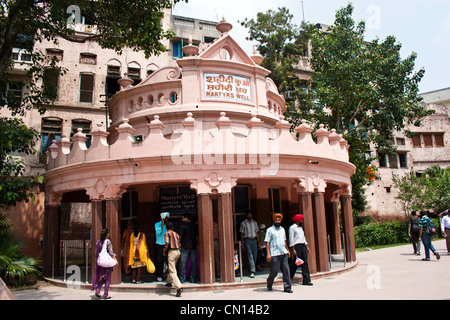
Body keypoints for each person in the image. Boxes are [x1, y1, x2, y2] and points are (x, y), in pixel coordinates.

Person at [265, 213, 292, 293]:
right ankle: (269, 282)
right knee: (275, 270)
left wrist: (288, 250)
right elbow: (267, 242)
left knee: (286, 270)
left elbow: (284, 241)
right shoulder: (270, 230)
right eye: (276, 220)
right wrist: (268, 254)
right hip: (274, 253)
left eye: (279, 220)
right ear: (274, 221)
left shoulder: (282, 229)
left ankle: (287, 287)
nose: (277, 221)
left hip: (283, 252)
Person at [288, 213, 312, 286]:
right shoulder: (292, 228)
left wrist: (306, 246)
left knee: (305, 262)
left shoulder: (300, 228)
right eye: (301, 220)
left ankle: (306, 280)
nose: (302, 221)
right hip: (296, 246)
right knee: (296, 262)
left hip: (302, 245)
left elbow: (303, 237)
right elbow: (291, 238)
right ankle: (289, 275)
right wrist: (293, 249)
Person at [92, 228, 116, 299]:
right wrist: (115, 259)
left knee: (104, 277)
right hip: (107, 263)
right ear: (107, 234)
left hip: (100, 263)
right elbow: (111, 252)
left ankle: (98, 290)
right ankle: (105, 294)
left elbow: (96, 253)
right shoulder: (108, 241)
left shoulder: (98, 242)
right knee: (108, 278)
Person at [163, 221, 183, 297]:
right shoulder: (176, 234)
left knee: (172, 270)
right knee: (172, 267)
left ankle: (179, 287)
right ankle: (169, 282)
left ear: (166, 228)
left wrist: (164, 250)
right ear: (173, 227)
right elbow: (179, 242)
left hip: (171, 252)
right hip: (178, 251)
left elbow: (167, 243)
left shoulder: (166, 234)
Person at [179, 214, 198, 283]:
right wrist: (197, 244)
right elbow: (197, 236)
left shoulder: (183, 226)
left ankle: (182, 279)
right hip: (193, 246)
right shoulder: (194, 226)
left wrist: (178, 243)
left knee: (183, 263)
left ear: (186, 218)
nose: (182, 219)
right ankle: (193, 278)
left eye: (183, 217)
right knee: (193, 263)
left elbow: (180, 236)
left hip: (185, 247)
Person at [240, 210, 259, 278]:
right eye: (248, 215)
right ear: (246, 215)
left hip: (254, 240)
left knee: (255, 255)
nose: (249, 216)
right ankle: (252, 271)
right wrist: (242, 244)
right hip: (247, 240)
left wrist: (258, 242)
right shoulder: (243, 223)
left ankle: (250, 267)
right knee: (250, 255)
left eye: (250, 214)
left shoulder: (255, 223)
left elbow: (257, 233)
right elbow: (242, 233)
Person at [155, 212, 169, 281]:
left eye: (167, 218)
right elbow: (158, 232)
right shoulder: (157, 224)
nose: (166, 219)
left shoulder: (168, 225)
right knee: (159, 261)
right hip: (159, 244)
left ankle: (167, 275)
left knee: (167, 260)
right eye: (165, 218)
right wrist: (162, 225)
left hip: (166, 244)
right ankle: (159, 275)